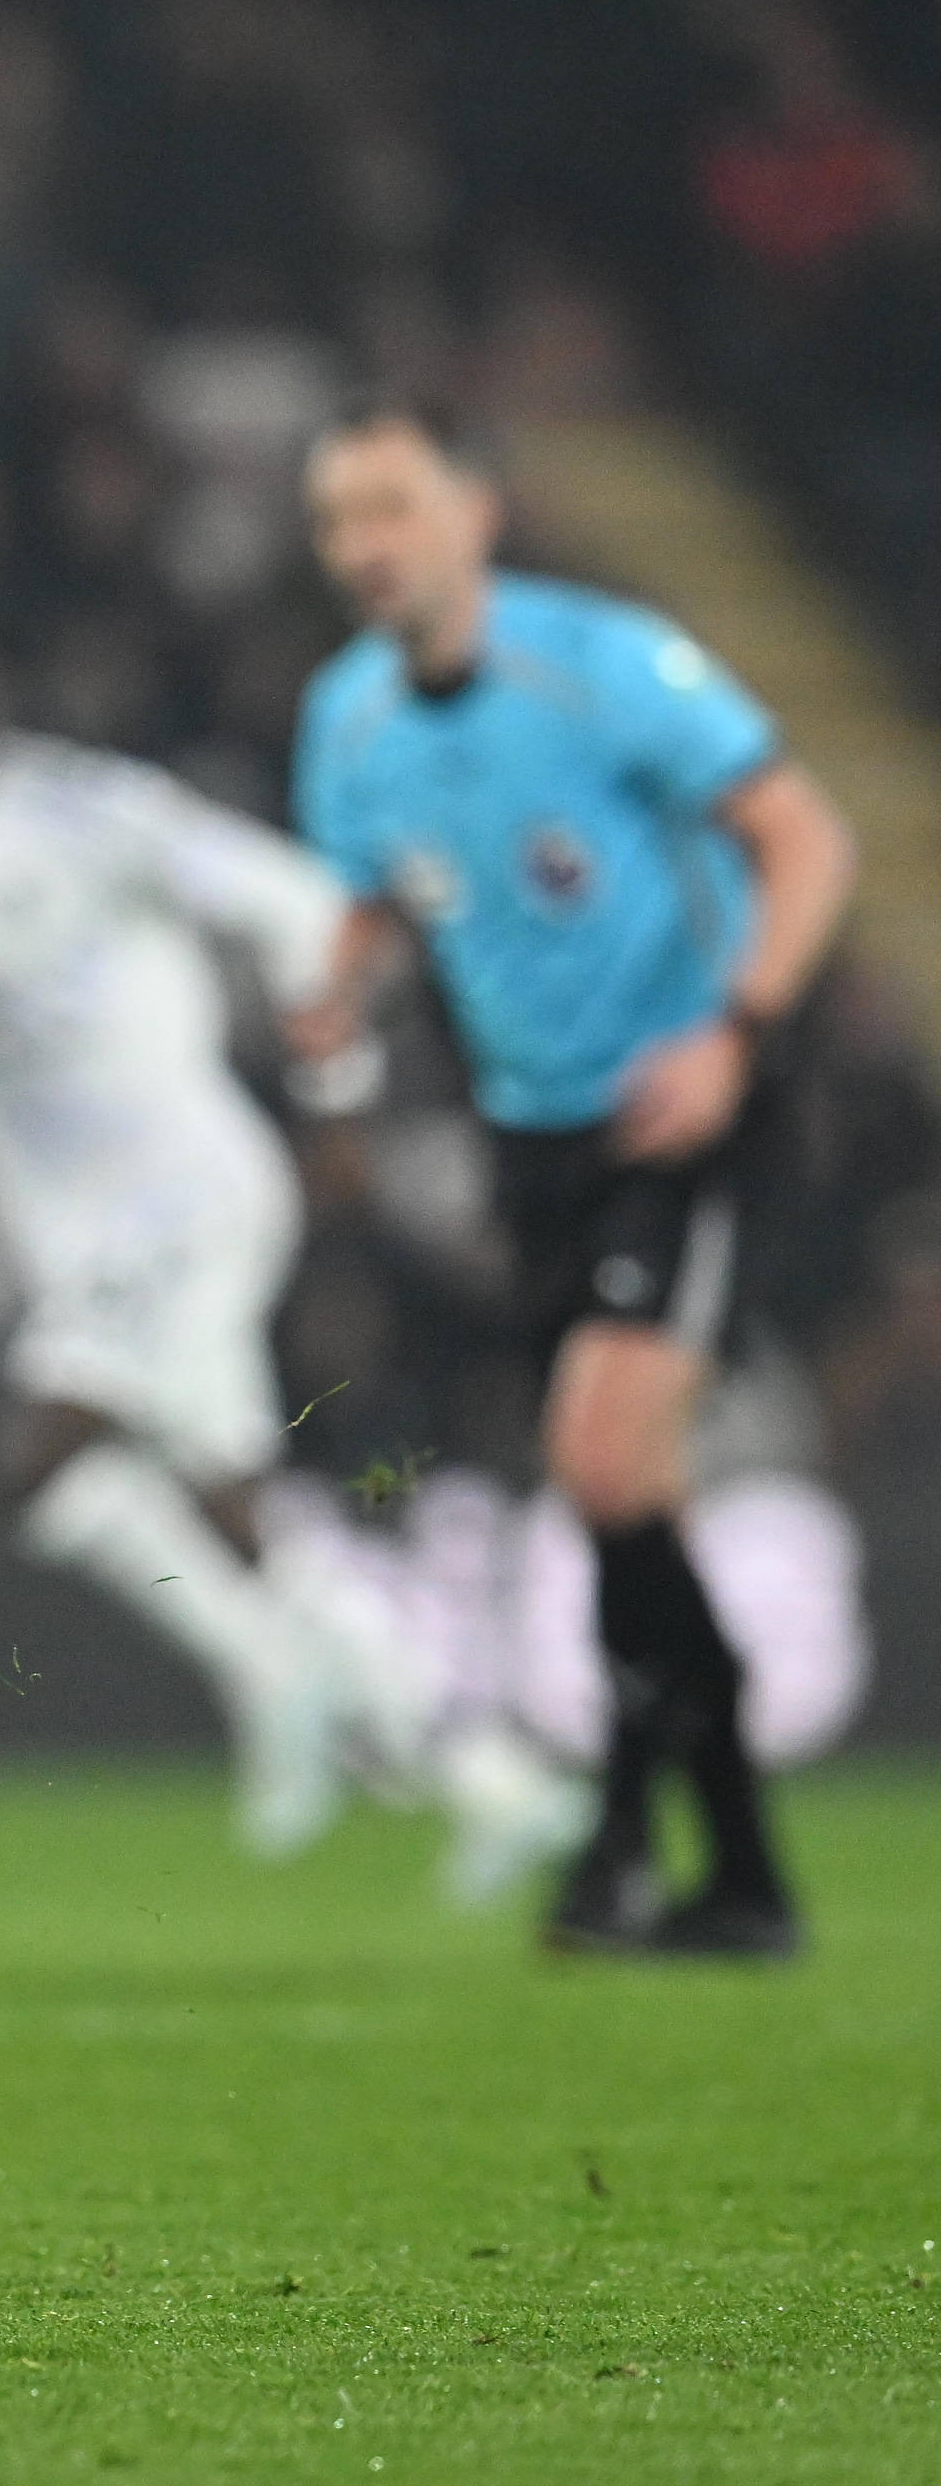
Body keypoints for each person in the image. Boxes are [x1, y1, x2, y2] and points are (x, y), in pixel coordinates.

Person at [0, 609, 589, 1893]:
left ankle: (326, 1696)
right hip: (75, 1238)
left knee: (50, 1454)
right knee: (195, 1496)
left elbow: (299, 906)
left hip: (190, 1191)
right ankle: (454, 1755)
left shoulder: (82, 808)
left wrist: (335, 1084)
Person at [292, 396, 857, 1959]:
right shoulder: (346, 721)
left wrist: (737, 1032)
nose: (367, 546)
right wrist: (337, 982)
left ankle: (621, 1835)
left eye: (394, 506)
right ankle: (734, 1869)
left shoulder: (603, 663)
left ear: (477, 509)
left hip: (684, 1108)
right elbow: (379, 902)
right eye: (340, 518)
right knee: (623, 1500)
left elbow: (806, 840)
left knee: (600, 1467)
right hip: (528, 1132)